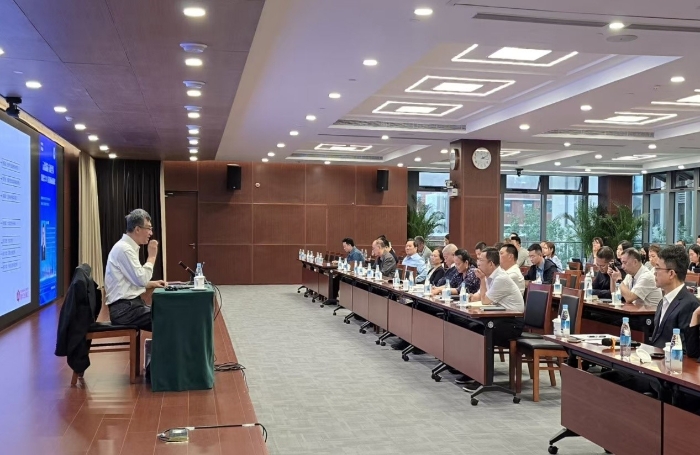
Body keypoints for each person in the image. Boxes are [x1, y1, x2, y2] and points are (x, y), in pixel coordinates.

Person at [104, 209, 166, 332]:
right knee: (169, 317)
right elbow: (141, 280)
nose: (151, 233)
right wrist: (152, 257)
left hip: (129, 306)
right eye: (148, 228)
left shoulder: (127, 247)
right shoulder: (124, 249)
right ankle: (167, 345)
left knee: (168, 313)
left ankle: (166, 345)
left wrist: (151, 283)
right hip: (124, 311)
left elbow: (131, 280)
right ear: (137, 229)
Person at [648, 245, 698, 348]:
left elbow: (686, 349)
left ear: (671, 274)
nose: (654, 273)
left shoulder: (690, 304)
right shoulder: (663, 301)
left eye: (657, 268)